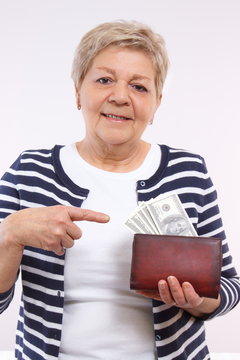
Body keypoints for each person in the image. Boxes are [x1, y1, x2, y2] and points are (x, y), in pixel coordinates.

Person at [0, 20, 239, 360]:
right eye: (104, 80)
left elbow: (229, 285)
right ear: (77, 92)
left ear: (157, 102)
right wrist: (9, 234)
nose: (120, 96)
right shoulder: (30, 171)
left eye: (140, 87)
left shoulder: (189, 172)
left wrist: (199, 300)